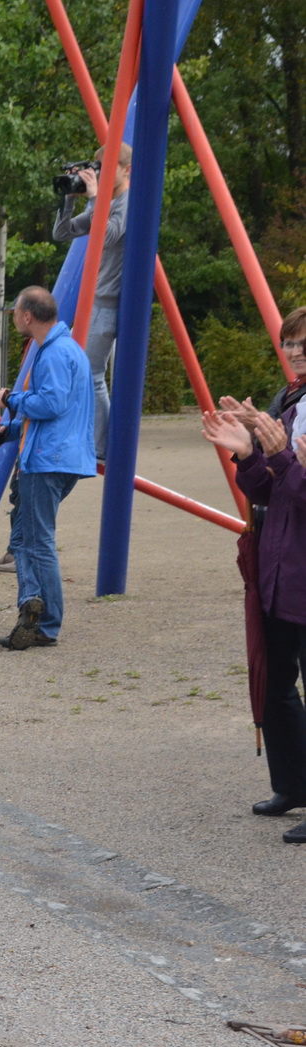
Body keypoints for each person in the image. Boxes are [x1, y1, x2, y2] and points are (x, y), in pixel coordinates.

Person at [204, 307, 306, 839]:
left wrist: (281, 457)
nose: (296, 352)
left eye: (304, 343)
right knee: (275, 685)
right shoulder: (286, 402)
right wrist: (248, 454)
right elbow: (269, 491)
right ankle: (294, 784)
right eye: (290, 343)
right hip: (280, 567)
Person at [0, 286, 96, 650]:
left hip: (47, 460)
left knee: (36, 541)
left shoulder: (51, 352)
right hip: (65, 457)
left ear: (28, 316)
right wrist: (9, 430)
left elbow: (50, 404)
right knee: (26, 538)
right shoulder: (71, 350)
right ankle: (37, 615)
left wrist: (10, 398)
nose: (14, 318)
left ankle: (39, 615)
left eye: (15, 312)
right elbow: (61, 412)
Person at [52, 141, 131, 461]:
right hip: (96, 299)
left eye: (109, 167)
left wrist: (96, 197)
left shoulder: (127, 202)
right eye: (99, 168)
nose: (102, 174)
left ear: (127, 170)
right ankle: (92, 438)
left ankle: (101, 446)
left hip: (109, 302)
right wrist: (68, 199)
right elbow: (62, 233)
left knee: (90, 374)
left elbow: (106, 236)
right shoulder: (105, 202)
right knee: (74, 367)